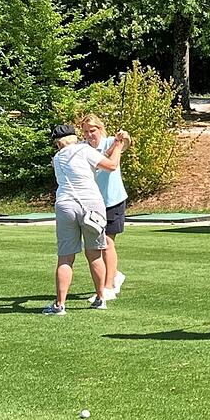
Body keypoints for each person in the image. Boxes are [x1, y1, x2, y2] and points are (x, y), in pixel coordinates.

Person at [43, 125, 124, 315]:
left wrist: (113, 146)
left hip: (65, 205)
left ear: (58, 143)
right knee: (95, 254)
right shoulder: (84, 149)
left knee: (65, 257)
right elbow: (111, 166)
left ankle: (59, 305)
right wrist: (118, 146)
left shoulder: (57, 158)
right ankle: (100, 298)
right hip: (91, 204)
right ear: (75, 137)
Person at [80, 114, 130, 301]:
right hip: (94, 203)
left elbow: (125, 143)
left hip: (113, 200)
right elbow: (101, 159)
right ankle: (115, 275)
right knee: (98, 245)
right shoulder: (83, 148)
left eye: (92, 130)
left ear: (100, 129)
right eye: (85, 131)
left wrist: (123, 138)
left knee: (108, 243)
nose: (89, 135)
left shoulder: (111, 140)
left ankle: (108, 287)